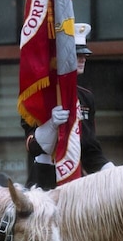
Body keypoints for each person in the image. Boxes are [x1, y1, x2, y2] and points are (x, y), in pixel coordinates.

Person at [25, 22, 115, 188]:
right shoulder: (39, 95)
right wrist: (51, 126)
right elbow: (33, 147)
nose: (82, 58)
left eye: (84, 55)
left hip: (74, 182)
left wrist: (111, 173)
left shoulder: (86, 97)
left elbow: (89, 148)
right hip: (43, 183)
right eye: (76, 54)